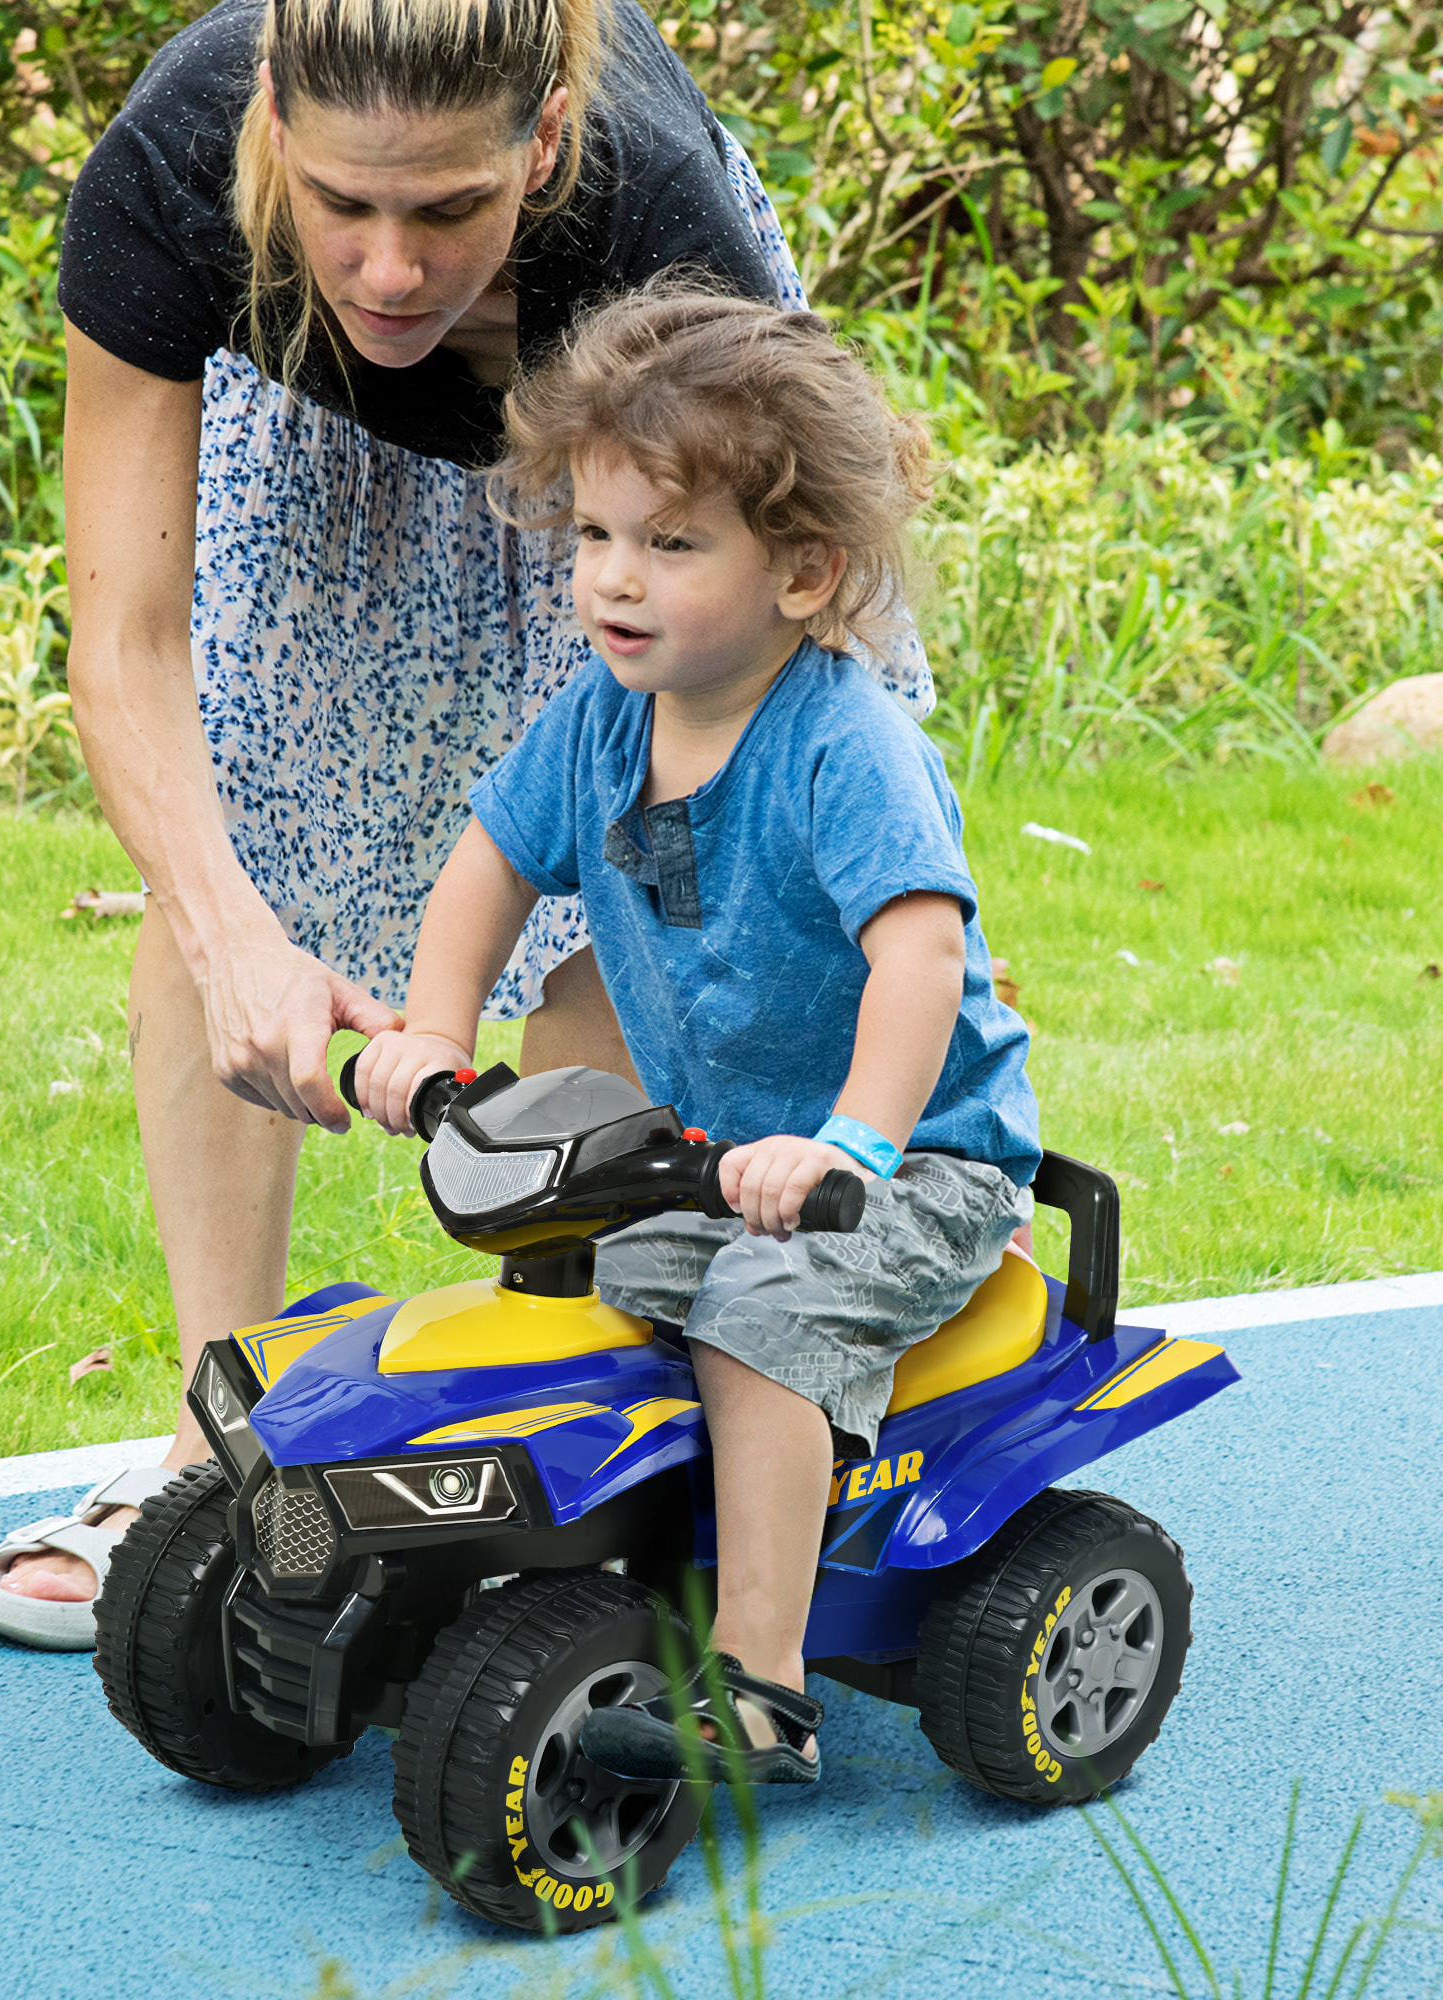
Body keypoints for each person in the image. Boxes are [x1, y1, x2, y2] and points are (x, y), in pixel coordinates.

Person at [0, 0, 933, 1650]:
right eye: (342, 201)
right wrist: (235, 942)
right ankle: (214, 1450)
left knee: (655, 856)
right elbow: (127, 642)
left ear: (541, 144)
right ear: (273, 116)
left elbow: (720, 739)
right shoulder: (175, 171)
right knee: (231, 843)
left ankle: (606, 1433)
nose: (392, 267)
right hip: (315, 424)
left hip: (655, 456)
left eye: (448, 208)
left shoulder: (653, 219)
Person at [355, 288, 1039, 1782]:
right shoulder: (603, 720)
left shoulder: (846, 747)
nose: (615, 576)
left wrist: (854, 1143)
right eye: (596, 533)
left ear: (803, 570)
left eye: (671, 544)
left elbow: (919, 958)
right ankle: (579, 1574)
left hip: (911, 1162)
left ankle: (764, 1680)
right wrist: (431, 1033)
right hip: (724, 1152)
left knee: (758, 1314)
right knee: (587, 1290)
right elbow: (488, 865)